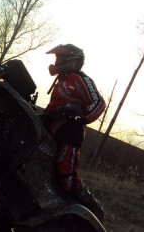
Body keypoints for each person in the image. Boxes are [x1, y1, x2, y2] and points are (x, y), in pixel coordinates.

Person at [42, 43, 106, 222]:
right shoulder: (62, 79)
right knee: (42, 168)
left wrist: (82, 118)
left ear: (71, 61)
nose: (56, 61)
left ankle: (93, 210)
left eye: (59, 58)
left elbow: (99, 103)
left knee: (66, 176)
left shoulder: (80, 79)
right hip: (52, 129)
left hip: (70, 132)